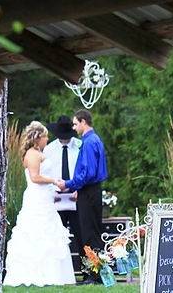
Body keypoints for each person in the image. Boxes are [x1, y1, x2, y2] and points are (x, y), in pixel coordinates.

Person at [4, 121, 75, 287]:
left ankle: (54, 275)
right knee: (37, 232)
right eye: (45, 137)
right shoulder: (32, 154)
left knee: (50, 231)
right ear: (38, 138)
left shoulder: (37, 152)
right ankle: (36, 273)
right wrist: (54, 181)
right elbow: (35, 178)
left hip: (45, 198)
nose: (47, 139)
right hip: (37, 199)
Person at [57, 110, 108, 284]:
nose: (74, 127)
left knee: (89, 234)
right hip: (90, 190)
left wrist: (69, 184)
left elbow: (87, 172)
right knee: (93, 231)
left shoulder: (88, 142)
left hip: (89, 191)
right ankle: (98, 273)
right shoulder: (94, 140)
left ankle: (94, 275)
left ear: (83, 122)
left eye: (75, 123)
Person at [43, 115, 83, 258]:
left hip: (76, 195)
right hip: (56, 196)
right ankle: (58, 267)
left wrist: (79, 189)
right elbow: (44, 172)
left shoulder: (79, 146)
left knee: (80, 233)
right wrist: (53, 189)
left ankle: (87, 268)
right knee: (57, 234)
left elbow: (84, 170)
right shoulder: (49, 150)